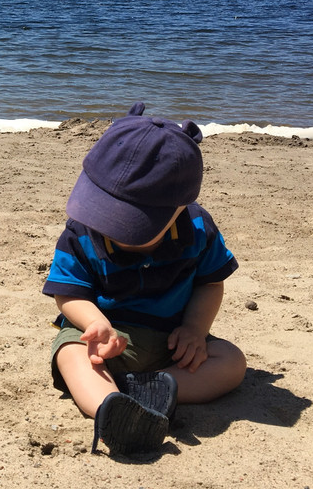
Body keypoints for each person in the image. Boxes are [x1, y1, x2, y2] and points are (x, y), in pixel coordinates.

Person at [43, 102, 246, 456]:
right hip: (101, 340)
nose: (111, 228)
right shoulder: (79, 234)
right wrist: (95, 322)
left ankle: (155, 390)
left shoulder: (199, 230)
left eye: (130, 223)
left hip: (172, 343)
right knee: (71, 354)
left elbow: (210, 283)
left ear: (180, 207)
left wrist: (196, 330)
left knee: (232, 363)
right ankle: (109, 408)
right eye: (104, 211)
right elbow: (68, 293)